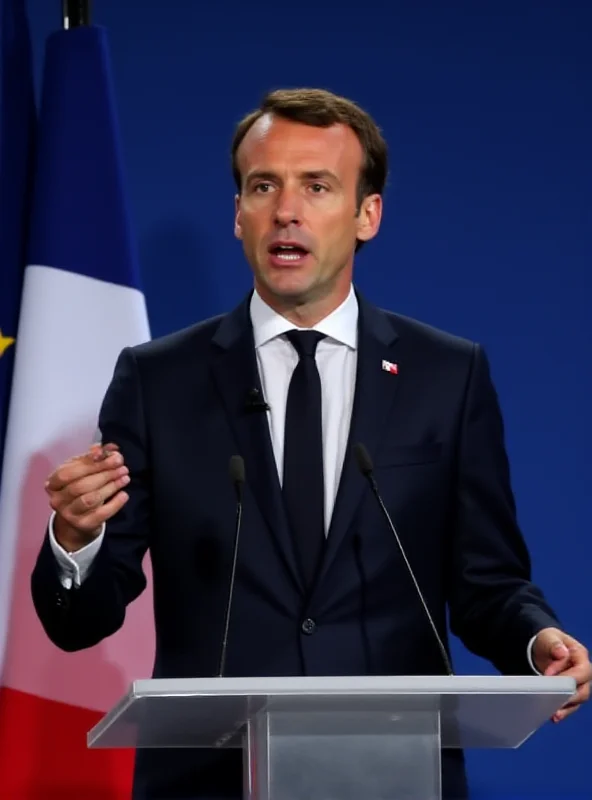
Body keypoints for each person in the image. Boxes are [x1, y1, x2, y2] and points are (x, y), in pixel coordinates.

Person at [31, 88, 590, 800]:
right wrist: (74, 540)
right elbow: (85, 618)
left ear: (367, 215)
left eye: (317, 187)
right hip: (207, 781)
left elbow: (487, 583)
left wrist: (533, 640)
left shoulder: (446, 376)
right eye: (263, 186)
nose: (285, 210)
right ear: (238, 215)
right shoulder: (158, 380)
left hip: (394, 775)